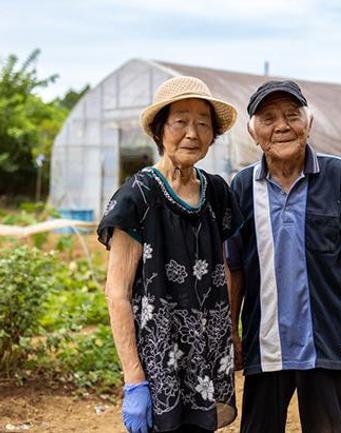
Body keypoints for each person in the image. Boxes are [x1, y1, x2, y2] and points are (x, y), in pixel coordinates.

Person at [226, 80, 341, 433]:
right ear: (253, 132)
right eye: (268, 118)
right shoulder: (241, 186)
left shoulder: (337, 174)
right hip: (265, 342)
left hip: (329, 339)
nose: (281, 126)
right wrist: (232, 329)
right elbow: (233, 265)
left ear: (308, 124)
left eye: (291, 116)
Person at [98, 76, 243, 433]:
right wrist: (134, 380)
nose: (192, 133)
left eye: (203, 124)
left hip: (207, 354)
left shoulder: (218, 193)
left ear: (213, 136)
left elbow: (222, 268)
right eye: (180, 122)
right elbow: (117, 292)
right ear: (160, 130)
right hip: (158, 359)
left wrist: (232, 334)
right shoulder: (138, 196)